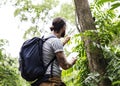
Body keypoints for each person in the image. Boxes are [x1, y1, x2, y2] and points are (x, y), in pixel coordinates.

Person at [33, 17, 77, 86]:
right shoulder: (55, 41)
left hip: (41, 81)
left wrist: (64, 42)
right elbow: (64, 65)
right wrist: (72, 62)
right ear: (63, 28)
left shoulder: (44, 38)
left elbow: (50, 52)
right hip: (51, 81)